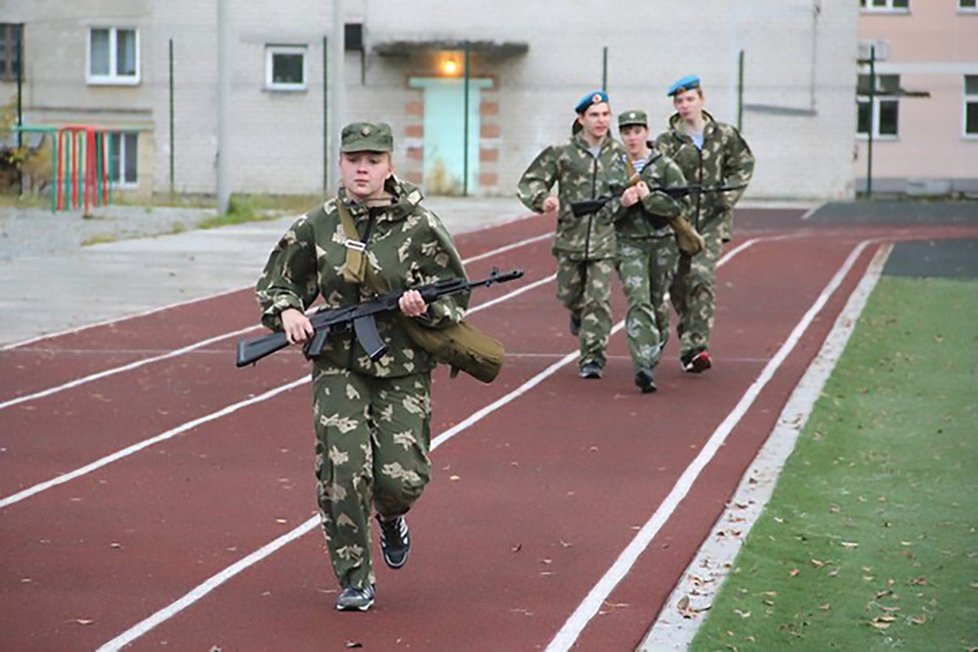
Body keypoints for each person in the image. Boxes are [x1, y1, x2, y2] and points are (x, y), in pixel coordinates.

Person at [255, 122, 469, 612]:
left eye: (373, 160)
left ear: (390, 166)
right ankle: (355, 578)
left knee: (402, 480)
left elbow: (456, 293)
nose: (363, 168)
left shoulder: (421, 225)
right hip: (338, 364)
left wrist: (425, 307)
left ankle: (391, 516)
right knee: (343, 470)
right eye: (354, 160)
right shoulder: (319, 224)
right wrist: (288, 310)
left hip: (403, 365)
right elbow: (276, 283)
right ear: (341, 164)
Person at [517, 91, 630, 379]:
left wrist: (627, 200)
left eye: (605, 114)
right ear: (581, 119)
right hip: (570, 238)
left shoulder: (619, 154)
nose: (601, 120)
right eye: (594, 115)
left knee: (598, 300)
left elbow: (630, 186)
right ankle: (578, 314)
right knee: (568, 294)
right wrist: (542, 200)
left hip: (605, 239)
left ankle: (592, 357)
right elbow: (530, 182)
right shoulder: (562, 152)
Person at [654, 75, 754, 373]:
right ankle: (689, 334)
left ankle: (696, 347)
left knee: (701, 276)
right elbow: (657, 176)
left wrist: (727, 196)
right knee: (679, 284)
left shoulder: (723, 135)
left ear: (702, 100)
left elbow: (743, 164)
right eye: (679, 101)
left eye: (690, 99)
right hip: (678, 221)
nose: (685, 105)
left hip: (712, 220)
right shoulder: (667, 141)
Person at [602, 110, 688, 393]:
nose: (632, 137)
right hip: (629, 244)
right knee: (638, 302)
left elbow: (680, 206)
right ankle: (643, 366)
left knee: (655, 302)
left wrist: (651, 198)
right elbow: (601, 212)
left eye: (637, 131)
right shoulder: (613, 168)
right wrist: (621, 203)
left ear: (647, 133)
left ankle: (653, 347)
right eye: (626, 132)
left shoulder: (665, 166)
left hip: (662, 243)